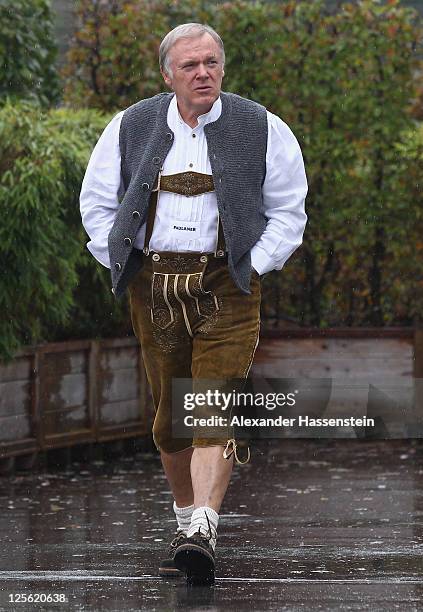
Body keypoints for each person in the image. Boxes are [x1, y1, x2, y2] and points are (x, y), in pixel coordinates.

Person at [80, 22, 308, 584]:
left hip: (227, 285)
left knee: (210, 401)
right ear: (168, 75)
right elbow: (96, 202)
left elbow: (289, 211)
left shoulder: (263, 127)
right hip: (151, 286)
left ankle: (203, 524)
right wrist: (121, 261)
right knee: (168, 416)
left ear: (222, 67)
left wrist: (249, 267)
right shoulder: (130, 125)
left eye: (211, 62)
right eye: (190, 66)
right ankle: (186, 520)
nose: (203, 73)